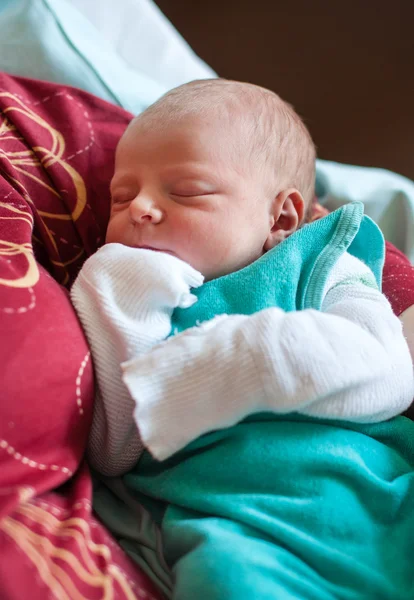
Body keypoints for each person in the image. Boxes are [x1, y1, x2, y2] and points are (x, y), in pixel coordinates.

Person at [71, 79, 414, 599]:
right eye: (121, 196)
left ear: (280, 217)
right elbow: (114, 445)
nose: (139, 207)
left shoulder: (320, 266)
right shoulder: (134, 295)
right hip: (237, 526)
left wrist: (242, 356)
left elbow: (388, 369)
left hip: (375, 493)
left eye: (185, 191)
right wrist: (119, 291)